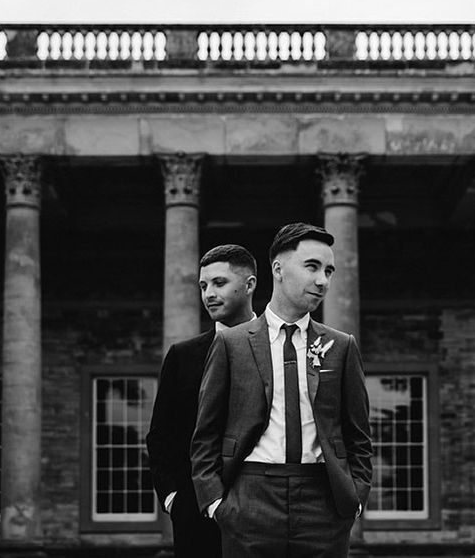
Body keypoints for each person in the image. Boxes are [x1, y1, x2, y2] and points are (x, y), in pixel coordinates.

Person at [191, 223, 372, 558]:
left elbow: (359, 435)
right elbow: (206, 433)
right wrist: (216, 503)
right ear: (278, 269)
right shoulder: (231, 344)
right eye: (312, 266)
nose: (323, 281)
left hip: (323, 502)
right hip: (250, 497)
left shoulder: (341, 346)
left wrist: (356, 498)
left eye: (329, 271)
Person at [147, 244, 258, 558]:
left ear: (249, 285)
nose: (209, 293)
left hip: (268, 512)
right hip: (195, 514)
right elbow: (161, 434)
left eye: (219, 283)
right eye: (203, 285)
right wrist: (173, 498)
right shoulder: (183, 355)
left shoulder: (280, 346)